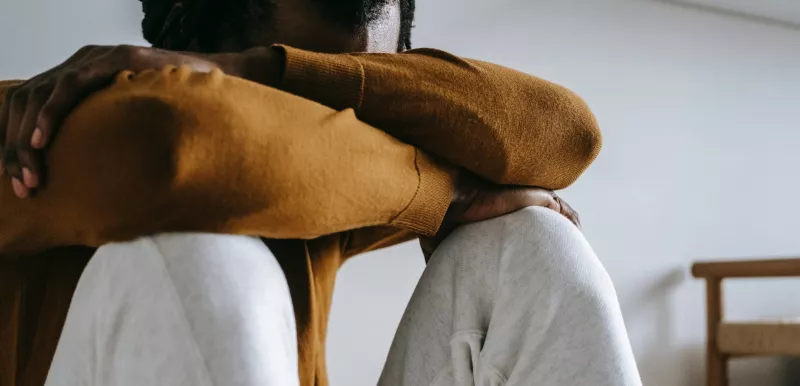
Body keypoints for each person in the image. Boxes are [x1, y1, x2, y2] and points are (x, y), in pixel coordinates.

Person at [0, 1, 641, 385]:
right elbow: (179, 148)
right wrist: (443, 192)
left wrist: (253, 72)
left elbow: (568, 134)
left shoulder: (338, 178)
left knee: (530, 241)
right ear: (174, 57)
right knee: (203, 256)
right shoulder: (29, 125)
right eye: (304, 111)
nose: (334, 137)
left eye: (347, 93)